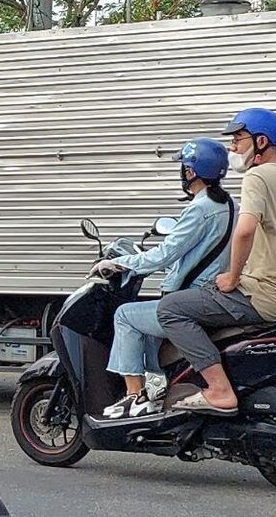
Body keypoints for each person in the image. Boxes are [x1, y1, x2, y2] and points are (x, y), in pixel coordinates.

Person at [158, 108, 276, 413]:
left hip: (265, 296)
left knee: (171, 308)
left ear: (260, 141)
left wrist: (232, 277)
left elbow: (245, 230)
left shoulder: (258, 176)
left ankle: (219, 389)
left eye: (238, 139)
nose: (233, 147)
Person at [93, 138, 236, 419]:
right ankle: (157, 387)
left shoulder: (200, 208)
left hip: (190, 299)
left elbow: (165, 254)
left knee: (125, 315)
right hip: (210, 293)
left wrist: (117, 263)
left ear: (191, 172)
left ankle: (134, 396)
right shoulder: (230, 204)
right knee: (143, 321)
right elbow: (196, 255)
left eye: (183, 167)